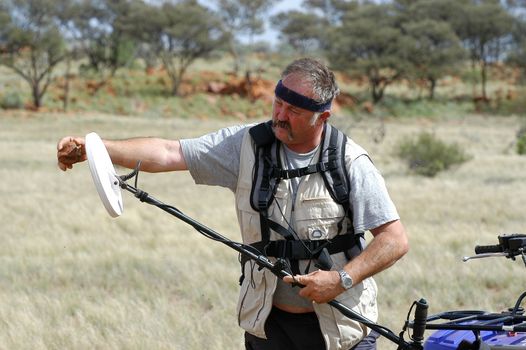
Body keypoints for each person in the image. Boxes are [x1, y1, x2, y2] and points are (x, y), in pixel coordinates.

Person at [57, 57, 409, 350]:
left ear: (322, 116)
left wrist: (341, 279)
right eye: (278, 103)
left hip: (340, 332)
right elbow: (168, 152)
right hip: (268, 328)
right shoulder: (246, 147)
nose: (281, 116)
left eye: (295, 110)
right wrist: (94, 148)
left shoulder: (349, 161)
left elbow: (394, 240)